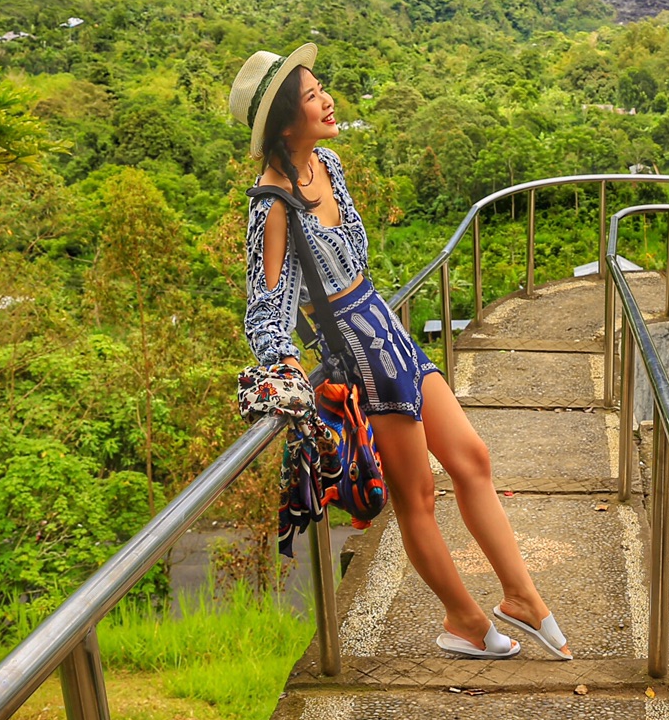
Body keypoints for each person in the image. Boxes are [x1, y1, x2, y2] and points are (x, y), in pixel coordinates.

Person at [230, 44, 571, 661]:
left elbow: (352, 264)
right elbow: (266, 304)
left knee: (473, 458)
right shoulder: (272, 206)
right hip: (358, 357)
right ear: (284, 122)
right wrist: (281, 367)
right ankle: (463, 620)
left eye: (321, 88)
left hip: (387, 326)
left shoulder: (328, 165)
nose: (328, 100)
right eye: (312, 97)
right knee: (418, 498)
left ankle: (520, 596)